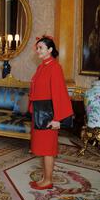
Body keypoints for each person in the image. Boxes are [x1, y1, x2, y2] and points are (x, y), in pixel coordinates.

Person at [29, 35, 73, 190]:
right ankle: (44, 177)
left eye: (40, 47)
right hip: (39, 113)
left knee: (48, 149)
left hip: (49, 115)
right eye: (37, 47)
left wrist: (57, 119)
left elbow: (59, 93)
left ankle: (48, 180)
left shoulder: (55, 67)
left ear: (50, 50)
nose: (37, 50)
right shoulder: (42, 66)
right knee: (42, 148)